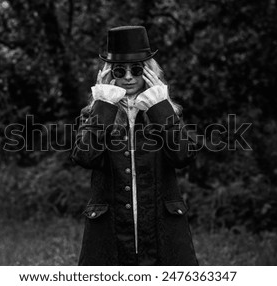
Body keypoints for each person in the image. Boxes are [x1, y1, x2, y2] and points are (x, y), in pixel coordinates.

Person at [71, 26, 199, 265]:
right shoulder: (95, 111)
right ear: (110, 74)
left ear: (149, 72)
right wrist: (103, 103)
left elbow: (183, 156)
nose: (128, 76)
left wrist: (159, 106)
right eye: (120, 70)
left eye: (137, 69)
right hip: (110, 231)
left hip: (162, 229)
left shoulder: (166, 110)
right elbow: (85, 157)